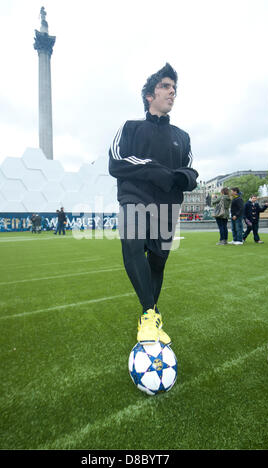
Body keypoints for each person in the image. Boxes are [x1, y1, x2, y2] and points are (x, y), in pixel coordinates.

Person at [109, 63, 198, 345]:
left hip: (167, 207)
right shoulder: (130, 128)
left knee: (157, 263)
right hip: (134, 200)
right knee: (132, 245)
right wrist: (158, 171)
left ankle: (150, 315)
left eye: (174, 88)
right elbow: (117, 162)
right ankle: (150, 314)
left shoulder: (182, 137)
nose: (172, 92)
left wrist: (182, 178)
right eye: (165, 86)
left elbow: (190, 171)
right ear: (150, 95)